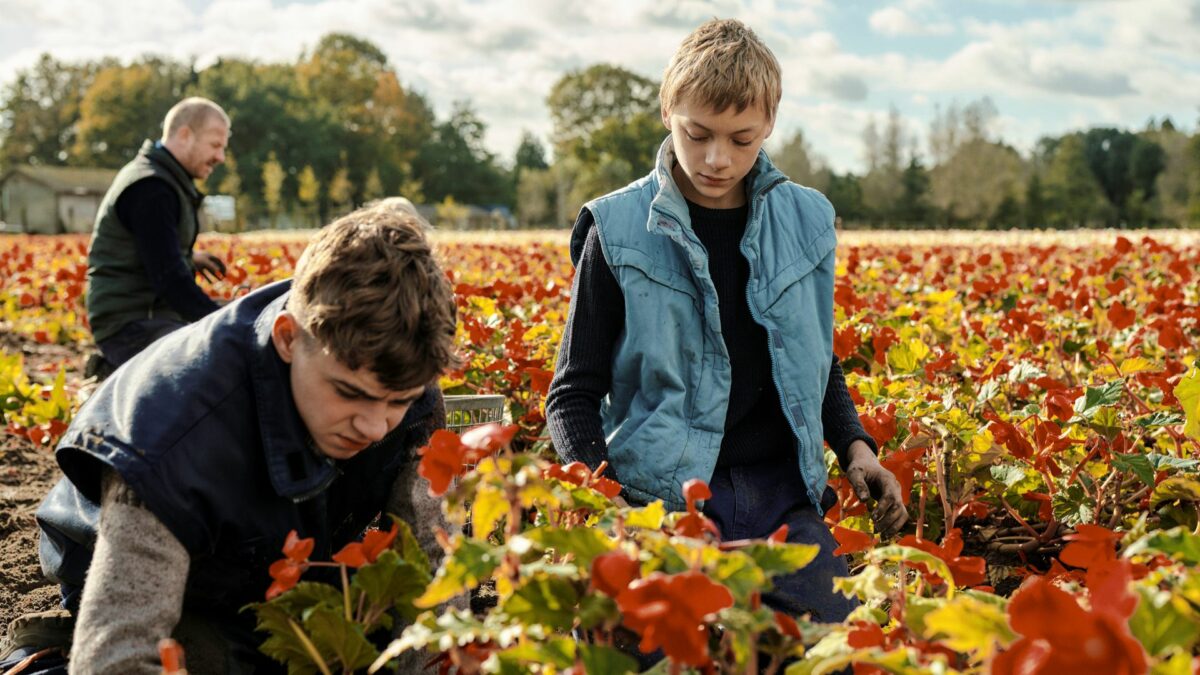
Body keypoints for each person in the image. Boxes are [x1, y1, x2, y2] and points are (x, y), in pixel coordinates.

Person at [545, 17, 908, 658]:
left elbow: (814, 360)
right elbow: (572, 392)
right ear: (667, 112)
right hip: (656, 496)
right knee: (632, 653)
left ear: (769, 123)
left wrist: (857, 449)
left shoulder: (809, 219)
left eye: (741, 139)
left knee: (829, 655)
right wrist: (607, 506)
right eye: (697, 134)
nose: (718, 159)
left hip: (780, 495)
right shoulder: (617, 226)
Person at [22, 205, 460, 673]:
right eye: (349, 394)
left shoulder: (402, 375)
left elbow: (432, 570)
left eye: (397, 402)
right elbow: (115, 657)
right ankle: (49, 647)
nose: (375, 427)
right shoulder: (172, 436)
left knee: (367, 640)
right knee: (226, 660)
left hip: (280, 555)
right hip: (152, 567)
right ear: (288, 338)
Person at [85, 96, 231, 372]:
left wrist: (189, 256)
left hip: (149, 313)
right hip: (132, 323)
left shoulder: (165, 179)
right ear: (185, 135)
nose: (220, 157)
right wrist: (222, 320)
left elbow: (153, 248)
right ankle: (116, 372)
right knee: (215, 365)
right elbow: (170, 280)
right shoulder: (152, 188)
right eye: (215, 145)